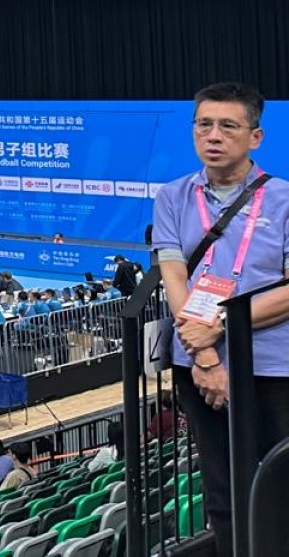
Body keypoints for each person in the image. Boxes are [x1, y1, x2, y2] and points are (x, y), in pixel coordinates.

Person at [152, 82, 289, 557]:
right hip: (197, 363)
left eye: (228, 126)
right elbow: (174, 275)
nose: (213, 136)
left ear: (255, 137)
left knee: (281, 481)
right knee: (222, 488)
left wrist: (222, 324)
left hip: (272, 366)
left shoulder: (284, 199)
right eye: (204, 125)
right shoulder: (173, 196)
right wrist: (205, 354)